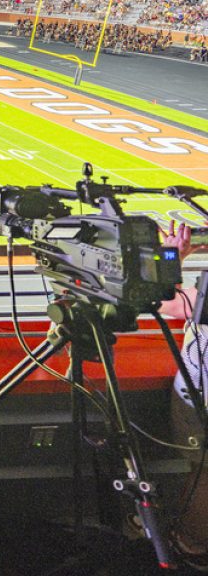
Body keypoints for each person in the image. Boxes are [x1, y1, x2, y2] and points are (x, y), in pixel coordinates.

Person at [155, 222, 208, 566]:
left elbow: (165, 303)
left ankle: (191, 546)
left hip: (199, 394)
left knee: (203, 475)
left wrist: (172, 255)